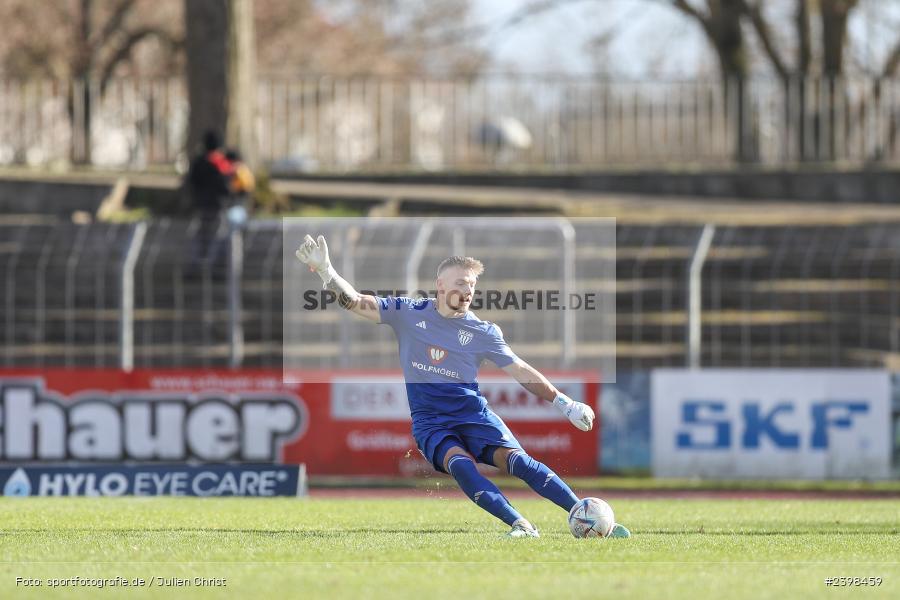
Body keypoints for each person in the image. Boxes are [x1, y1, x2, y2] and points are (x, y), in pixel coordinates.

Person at [295, 234, 631, 539]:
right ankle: (521, 525)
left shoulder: (484, 332)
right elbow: (355, 302)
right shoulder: (407, 313)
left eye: (471, 285)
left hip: (473, 415)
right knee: (460, 464)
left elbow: (521, 369)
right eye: (460, 283)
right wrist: (327, 272)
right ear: (439, 285)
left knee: (518, 462)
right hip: (431, 422)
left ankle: (583, 513)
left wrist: (564, 403)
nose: (468, 291)